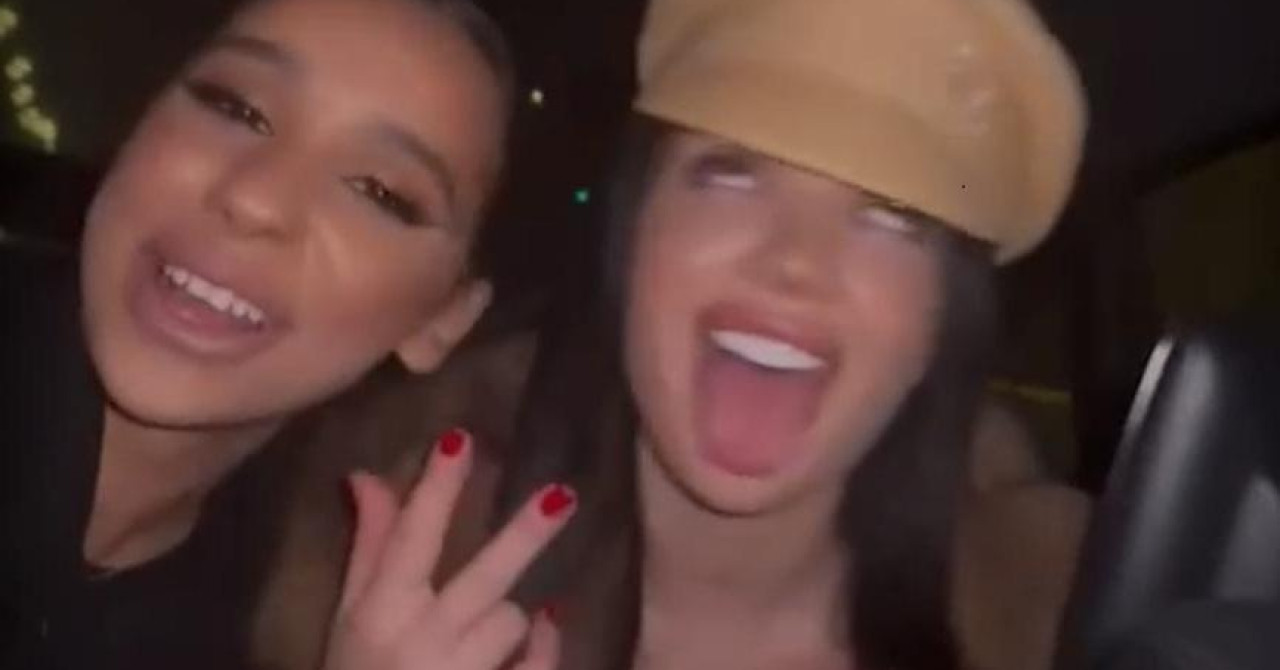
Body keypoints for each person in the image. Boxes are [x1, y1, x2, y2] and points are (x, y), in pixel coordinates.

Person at [321, 0, 1087, 669]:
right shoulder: (340, 577)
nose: (795, 260)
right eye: (730, 175)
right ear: (632, 237)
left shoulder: (1075, 635)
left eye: (891, 218)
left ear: (940, 324)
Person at [0, 0, 515, 667]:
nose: (256, 199)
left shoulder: (281, 605)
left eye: (378, 191)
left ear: (440, 321)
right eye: (234, 107)